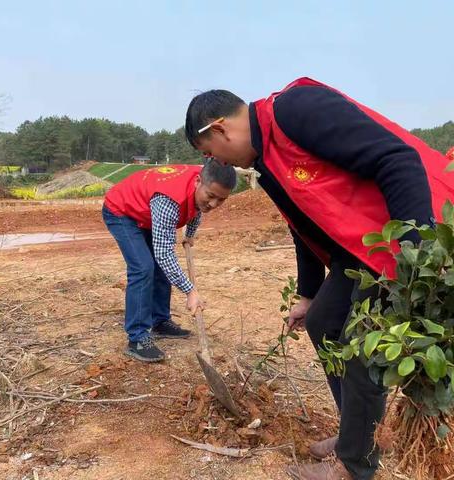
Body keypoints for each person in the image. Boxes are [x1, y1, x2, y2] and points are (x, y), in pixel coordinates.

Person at [184, 78, 453, 480]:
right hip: (361, 245)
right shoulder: (265, 159)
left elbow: (399, 160)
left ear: (219, 128)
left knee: (360, 340)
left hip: (406, 235)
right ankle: (354, 433)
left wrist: (416, 260)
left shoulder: (297, 109)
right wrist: (308, 294)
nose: (224, 163)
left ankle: (354, 464)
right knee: (324, 321)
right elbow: (301, 224)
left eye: (212, 153)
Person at [102, 161, 237, 363]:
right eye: (210, 196)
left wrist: (189, 234)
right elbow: (164, 253)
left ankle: (160, 320)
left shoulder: (203, 183)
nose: (213, 204)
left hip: (147, 211)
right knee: (143, 267)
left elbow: (197, 209)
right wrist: (190, 291)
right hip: (122, 211)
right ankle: (137, 338)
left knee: (160, 268)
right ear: (198, 181)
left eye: (221, 200)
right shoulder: (169, 200)